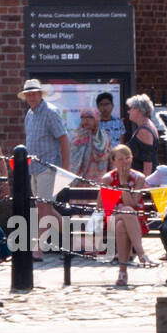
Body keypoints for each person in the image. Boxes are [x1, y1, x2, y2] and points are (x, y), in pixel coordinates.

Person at [21, 78, 70, 257]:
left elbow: (63, 139)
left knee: (44, 207)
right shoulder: (30, 114)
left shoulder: (50, 112)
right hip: (34, 168)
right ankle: (77, 241)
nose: (32, 97)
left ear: (40, 94)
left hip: (49, 166)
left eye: (34, 93)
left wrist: (65, 169)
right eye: (29, 94)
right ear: (25, 96)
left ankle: (38, 249)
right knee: (44, 208)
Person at [102, 144, 155, 285]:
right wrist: (122, 182)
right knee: (125, 213)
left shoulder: (139, 177)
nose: (124, 162)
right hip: (112, 216)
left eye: (127, 158)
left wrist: (124, 182)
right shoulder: (107, 179)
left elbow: (133, 203)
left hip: (135, 221)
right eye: (120, 159)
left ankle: (122, 273)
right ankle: (141, 253)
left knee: (122, 224)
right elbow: (103, 207)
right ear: (113, 161)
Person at [70, 108, 111, 184]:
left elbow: (110, 157)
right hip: (81, 181)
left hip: (100, 180)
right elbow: (73, 160)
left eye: (90, 117)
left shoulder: (104, 136)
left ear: (96, 118)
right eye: (83, 117)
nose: (86, 120)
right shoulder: (77, 136)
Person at [124, 94, 158, 175]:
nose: (128, 111)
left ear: (138, 110)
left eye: (131, 108)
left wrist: (145, 183)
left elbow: (148, 162)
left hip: (142, 179)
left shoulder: (144, 130)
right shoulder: (146, 126)